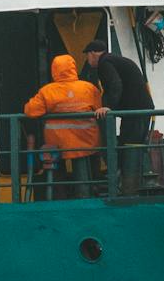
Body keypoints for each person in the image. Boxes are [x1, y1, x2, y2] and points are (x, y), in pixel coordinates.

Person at [23, 54, 107, 199]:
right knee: (87, 175)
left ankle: (59, 202)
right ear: (73, 68)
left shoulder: (47, 91)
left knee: (57, 175)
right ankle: (88, 197)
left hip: (58, 143)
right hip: (87, 142)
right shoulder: (88, 88)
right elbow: (100, 107)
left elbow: (30, 111)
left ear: (54, 70)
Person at [83, 38, 157, 195]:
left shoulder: (105, 63)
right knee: (130, 145)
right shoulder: (115, 59)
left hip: (135, 111)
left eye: (87, 56)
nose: (87, 60)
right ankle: (129, 187)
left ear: (93, 54)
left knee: (130, 146)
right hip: (138, 109)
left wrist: (108, 107)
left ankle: (129, 191)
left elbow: (115, 84)